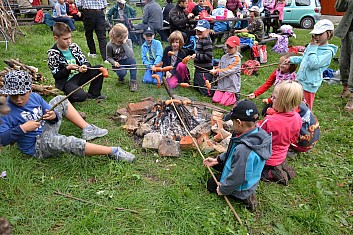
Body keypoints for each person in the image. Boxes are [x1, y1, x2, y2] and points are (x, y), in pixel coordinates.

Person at [0, 70, 135, 163]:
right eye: (13, 95)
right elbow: (2, 139)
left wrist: (53, 116)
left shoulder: (35, 97)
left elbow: (53, 114)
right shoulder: (6, 110)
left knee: (60, 99)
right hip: (37, 145)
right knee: (68, 142)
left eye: (22, 94)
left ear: (30, 90)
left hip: (46, 129)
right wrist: (23, 128)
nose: (18, 99)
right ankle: (112, 151)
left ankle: (87, 128)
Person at [203, 99, 272, 212]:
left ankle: (243, 196)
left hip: (241, 186)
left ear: (239, 122)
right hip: (244, 170)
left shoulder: (244, 150)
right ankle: (223, 172)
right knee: (216, 166)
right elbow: (231, 151)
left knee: (211, 184)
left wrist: (224, 189)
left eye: (233, 121)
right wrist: (218, 159)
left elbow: (238, 177)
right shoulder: (253, 133)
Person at [285, 19, 338, 110]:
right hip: (300, 80)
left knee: (305, 107)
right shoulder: (312, 46)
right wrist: (292, 59)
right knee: (295, 102)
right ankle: (294, 120)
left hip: (310, 84)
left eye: (320, 34)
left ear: (329, 34)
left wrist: (313, 48)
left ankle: (307, 122)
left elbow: (314, 64)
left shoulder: (327, 52)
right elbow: (305, 58)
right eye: (315, 34)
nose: (317, 37)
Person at [47, 22, 106, 102]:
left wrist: (85, 66)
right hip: (66, 81)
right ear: (56, 38)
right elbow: (57, 75)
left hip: (78, 75)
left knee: (99, 69)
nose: (69, 41)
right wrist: (68, 68)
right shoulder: (53, 54)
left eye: (70, 38)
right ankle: (69, 95)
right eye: (65, 39)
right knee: (80, 96)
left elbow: (85, 61)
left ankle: (94, 94)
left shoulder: (74, 47)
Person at [259, 80, 303, 185]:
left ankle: (270, 173)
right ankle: (280, 167)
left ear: (282, 101)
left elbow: (256, 137)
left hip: (266, 158)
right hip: (282, 154)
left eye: (274, 98)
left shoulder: (269, 121)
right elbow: (294, 138)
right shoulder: (297, 118)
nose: (272, 100)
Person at [209, 36, 241, 106]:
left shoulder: (237, 59)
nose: (228, 49)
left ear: (236, 47)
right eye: (227, 46)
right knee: (215, 100)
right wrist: (215, 70)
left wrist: (218, 71)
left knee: (223, 103)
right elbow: (219, 67)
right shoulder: (224, 57)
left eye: (231, 47)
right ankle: (222, 93)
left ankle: (235, 95)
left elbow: (229, 70)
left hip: (231, 85)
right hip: (222, 84)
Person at [106, 23, 138, 92]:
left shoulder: (128, 41)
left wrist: (124, 43)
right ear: (117, 37)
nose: (126, 38)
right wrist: (114, 62)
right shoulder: (110, 45)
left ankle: (133, 81)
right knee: (122, 72)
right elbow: (108, 57)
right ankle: (121, 77)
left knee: (133, 62)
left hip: (127, 59)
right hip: (117, 63)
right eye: (124, 37)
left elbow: (130, 55)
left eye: (126, 36)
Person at [335, 0, 353, 111]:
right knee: (343, 62)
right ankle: (345, 87)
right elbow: (339, 8)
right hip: (347, 31)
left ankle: (352, 96)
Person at [192, 19, 213, 96]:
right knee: (196, 87)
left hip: (204, 71)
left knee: (205, 92)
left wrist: (196, 56)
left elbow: (208, 56)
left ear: (208, 31)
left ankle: (214, 89)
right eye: (197, 30)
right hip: (198, 69)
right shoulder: (199, 40)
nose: (198, 33)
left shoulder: (207, 41)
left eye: (201, 31)